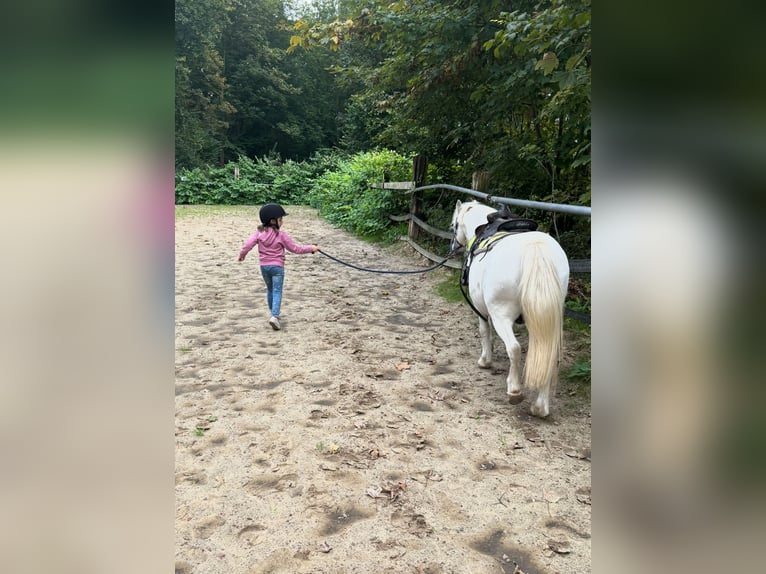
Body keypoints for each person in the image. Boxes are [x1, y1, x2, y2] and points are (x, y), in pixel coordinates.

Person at [238, 203, 319, 330]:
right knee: (277, 291)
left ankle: (272, 314)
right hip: (277, 268)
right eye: (280, 219)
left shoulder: (259, 232)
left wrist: (242, 255)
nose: (282, 222)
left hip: (264, 267)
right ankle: (275, 316)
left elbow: (248, 244)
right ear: (272, 221)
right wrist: (311, 248)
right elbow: (295, 249)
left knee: (270, 289)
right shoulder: (281, 235)